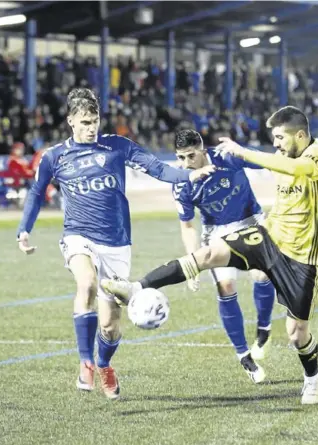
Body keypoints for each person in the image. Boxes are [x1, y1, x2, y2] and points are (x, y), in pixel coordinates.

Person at [102, 106, 318, 405]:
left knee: (296, 333)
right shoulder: (275, 158)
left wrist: (241, 152)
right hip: (268, 239)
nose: (275, 144)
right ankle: (139, 286)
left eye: (279, 137)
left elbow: (296, 170)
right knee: (208, 254)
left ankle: (312, 377)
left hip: (302, 257)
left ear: (300, 135)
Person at [16, 88, 214, 400]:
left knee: (109, 325)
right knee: (87, 284)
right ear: (70, 121)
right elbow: (37, 192)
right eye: (84, 121)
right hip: (77, 234)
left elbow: (157, 167)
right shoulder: (55, 157)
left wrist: (189, 176)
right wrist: (24, 229)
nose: (90, 126)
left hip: (117, 242)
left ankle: (104, 364)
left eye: (94, 120)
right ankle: (85, 362)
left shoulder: (117, 146)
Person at [172, 129, 275, 384]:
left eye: (190, 156)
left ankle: (264, 329)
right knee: (226, 287)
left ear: (203, 150)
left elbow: (265, 161)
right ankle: (244, 357)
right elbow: (187, 226)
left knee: (262, 274)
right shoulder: (181, 183)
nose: (185, 163)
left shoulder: (227, 157)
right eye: (180, 158)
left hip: (250, 219)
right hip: (216, 231)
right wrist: (193, 261)